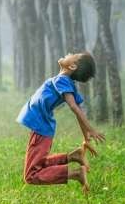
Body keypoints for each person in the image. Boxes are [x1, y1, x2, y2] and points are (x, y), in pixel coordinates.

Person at [17, 52, 105, 193]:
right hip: (41, 127)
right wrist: (86, 138)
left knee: (31, 175)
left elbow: (74, 107)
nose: (68, 53)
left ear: (72, 66)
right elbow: (77, 110)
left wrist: (90, 129)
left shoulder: (62, 80)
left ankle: (75, 174)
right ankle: (72, 156)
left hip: (41, 128)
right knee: (39, 164)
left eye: (72, 55)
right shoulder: (65, 82)